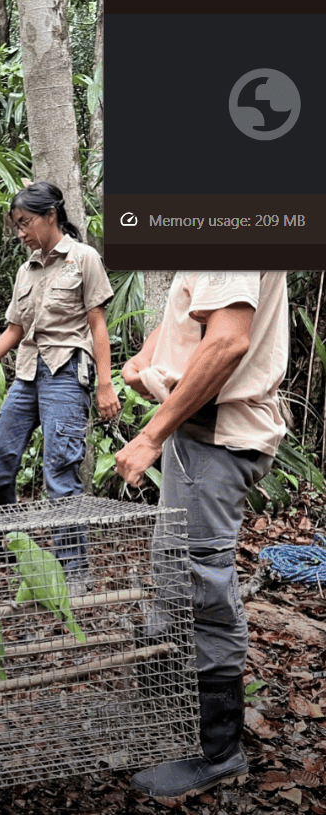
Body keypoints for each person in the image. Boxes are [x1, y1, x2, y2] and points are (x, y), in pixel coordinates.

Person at [115, 270, 288, 800]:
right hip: (198, 430)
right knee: (176, 574)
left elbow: (230, 338)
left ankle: (218, 751)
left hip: (217, 433)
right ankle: (179, 723)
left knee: (200, 586)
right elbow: (198, 318)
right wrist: (148, 357)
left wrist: (149, 435)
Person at [0, 182, 120, 578]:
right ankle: (7, 544)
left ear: (50, 215)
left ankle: (74, 571)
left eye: (25, 222)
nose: (20, 232)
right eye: (16, 225)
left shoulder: (84, 259)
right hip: (28, 372)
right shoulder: (26, 269)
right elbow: (15, 329)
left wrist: (105, 383)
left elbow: (98, 325)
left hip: (66, 370)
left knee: (61, 471)